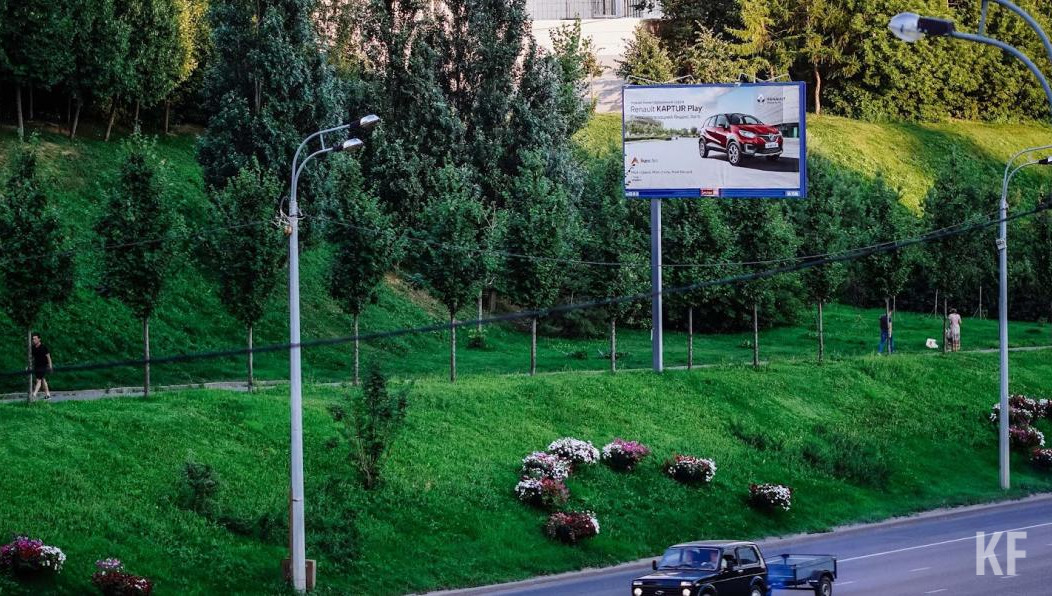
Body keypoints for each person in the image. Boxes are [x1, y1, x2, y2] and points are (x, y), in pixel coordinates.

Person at [31, 332, 52, 400]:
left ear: (39, 339)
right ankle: (48, 395)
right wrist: (29, 365)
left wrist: (50, 366)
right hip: (37, 366)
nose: (34, 340)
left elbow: (48, 357)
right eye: (33, 339)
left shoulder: (43, 347)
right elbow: (32, 358)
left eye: (35, 339)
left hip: (43, 366)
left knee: (38, 380)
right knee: (43, 380)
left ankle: (34, 394)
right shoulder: (33, 348)